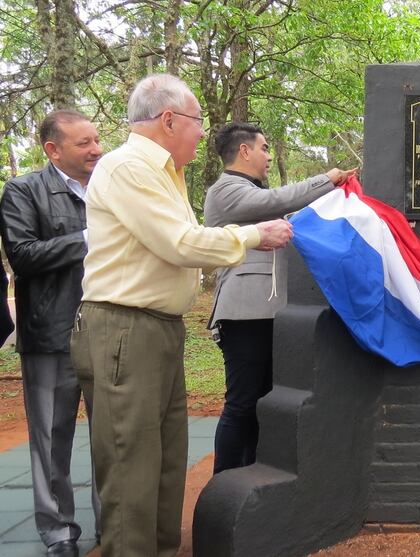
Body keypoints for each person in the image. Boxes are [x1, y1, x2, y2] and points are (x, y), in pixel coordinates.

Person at [69, 74, 293, 557]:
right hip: (123, 329)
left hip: (156, 330)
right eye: (196, 123)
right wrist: (256, 235)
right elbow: (181, 244)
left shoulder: (162, 174)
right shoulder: (127, 167)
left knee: (167, 465)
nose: (201, 134)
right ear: (168, 120)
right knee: (132, 470)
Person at [204, 122, 356, 474]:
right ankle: (224, 482)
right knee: (241, 403)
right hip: (244, 314)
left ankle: (250, 472)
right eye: (264, 148)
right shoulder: (226, 190)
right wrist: (327, 180)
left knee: (261, 402)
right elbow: (277, 200)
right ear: (244, 151)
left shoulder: (251, 192)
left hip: (268, 313)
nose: (269, 156)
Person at [0, 110, 102, 557]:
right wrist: (89, 236)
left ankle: (115, 523)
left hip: (107, 331)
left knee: (112, 438)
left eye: (97, 139)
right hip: (50, 335)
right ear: (53, 149)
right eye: (84, 143)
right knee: (50, 439)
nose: (96, 149)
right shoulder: (24, 190)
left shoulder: (109, 188)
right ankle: (59, 533)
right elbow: (22, 255)